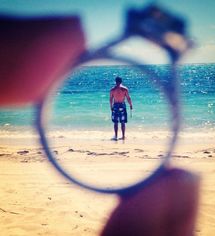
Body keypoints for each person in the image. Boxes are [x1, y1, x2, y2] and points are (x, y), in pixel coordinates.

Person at [0, 12, 200, 236]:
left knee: (119, 125)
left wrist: (126, 106)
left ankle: (120, 137)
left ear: (117, 82)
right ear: (118, 82)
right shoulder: (120, 90)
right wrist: (126, 106)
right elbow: (118, 99)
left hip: (119, 107)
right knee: (119, 124)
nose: (118, 84)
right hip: (119, 107)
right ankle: (120, 137)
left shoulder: (119, 90)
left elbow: (119, 99)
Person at [110, 76, 133, 140]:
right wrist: (131, 105)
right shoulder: (125, 89)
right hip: (122, 105)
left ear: (115, 81)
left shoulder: (112, 89)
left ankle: (116, 136)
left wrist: (111, 107)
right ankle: (123, 136)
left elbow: (111, 99)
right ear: (121, 81)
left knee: (115, 122)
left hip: (115, 105)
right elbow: (128, 98)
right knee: (123, 122)